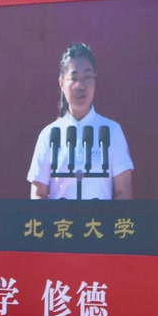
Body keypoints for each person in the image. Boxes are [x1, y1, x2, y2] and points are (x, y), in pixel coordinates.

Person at [28, 42, 133, 201]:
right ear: (61, 83)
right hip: (61, 225)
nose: (81, 86)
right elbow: (38, 194)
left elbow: (123, 192)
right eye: (74, 78)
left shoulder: (111, 131)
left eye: (87, 77)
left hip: (98, 225)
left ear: (95, 80)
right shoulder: (49, 135)